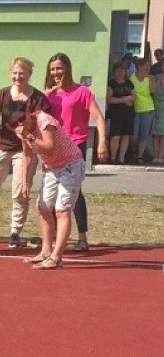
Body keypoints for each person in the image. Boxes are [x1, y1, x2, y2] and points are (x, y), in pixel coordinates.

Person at [0, 57, 50, 248]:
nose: (18, 76)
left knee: (19, 193)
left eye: (22, 73)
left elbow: (42, 124)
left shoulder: (38, 98)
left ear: (29, 74)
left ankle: (15, 232)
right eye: (14, 73)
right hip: (1, 147)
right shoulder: (3, 94)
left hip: (24, 151)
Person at [43, 53, 109, 252]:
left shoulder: (82, 92)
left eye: (59, 68)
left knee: (75, 192)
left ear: (67, 69)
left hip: (76, 145)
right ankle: (53, 238)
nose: (56, 73)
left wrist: (102, 143)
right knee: (52, 194)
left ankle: (82, 237)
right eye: (53, 69)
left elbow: (98, 117)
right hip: (54, 148)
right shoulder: (49, 95)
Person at [12, 106, 85, 270]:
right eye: (17, 124)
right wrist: (25, 182)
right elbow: (27, 155)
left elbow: (49, 147)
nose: (22, 125)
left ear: (28, 114)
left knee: (62, 210)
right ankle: (46, 251)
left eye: (24, 120)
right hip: (51, 168)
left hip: (70, 165)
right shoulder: (21, 131)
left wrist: (29, 136)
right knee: (43, 207)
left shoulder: (44, 121)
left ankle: (57, 257)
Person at [106, 61, 135, 164]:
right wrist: (123, 99)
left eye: (122, 70)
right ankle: (113, 158)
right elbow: (109, 99)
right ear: (114, 72)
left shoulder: (129, 83)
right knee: (115, 136)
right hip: (115, 114)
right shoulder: (111, 83)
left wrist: (123, 99)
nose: (120, 72)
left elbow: (134, 97)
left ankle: (121, 158)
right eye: (118, 70)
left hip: (128, 113)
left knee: (126, 135)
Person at [130, 58, 154, 165]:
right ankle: (133, 153)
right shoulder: (131, 77)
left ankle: (139, 157)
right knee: (133, 135)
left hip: (147, 109)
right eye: (146, 66)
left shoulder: (149, 78)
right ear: (139, 66)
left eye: (149, 66)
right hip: (134, 110)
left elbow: (153, 91)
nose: (148, 68)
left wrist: (151, 80)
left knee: (143, 135)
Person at [151, 68, 164, 165]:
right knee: (155, 134)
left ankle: (161, 156)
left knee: (163, 135)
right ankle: (155, 156)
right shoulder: (155, 78)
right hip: (156, 107)